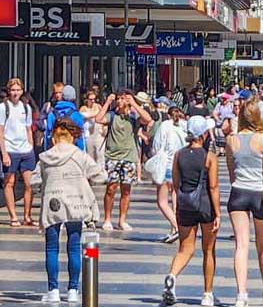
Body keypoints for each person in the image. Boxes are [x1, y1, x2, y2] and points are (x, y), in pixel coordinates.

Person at [35, 117, 106, 303]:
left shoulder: (45, 157)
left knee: (51, 247)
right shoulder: (79, 155)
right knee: (74, 246)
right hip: (76, 203)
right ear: (72, 137)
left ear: (54, 138)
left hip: (53, 204)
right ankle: (73, 290)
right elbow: (99, 176)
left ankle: (53, 291)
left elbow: (34, 181)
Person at [225, 99, 263, 307]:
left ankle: (241, 294)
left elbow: (231, 168)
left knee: (241, 245)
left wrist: (236, 182)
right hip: (259, 194)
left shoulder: (232, 139)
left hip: (238, 191)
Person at [162, 114, 221, 307]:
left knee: (185, 248)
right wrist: (218, 213)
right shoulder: (209, 157)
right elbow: (213, 187)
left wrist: (177, 206)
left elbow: (176, 184)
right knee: (208, 250)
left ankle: (172, 276)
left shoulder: (179, 155)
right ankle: (207, 293)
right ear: (204, 134)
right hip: (205, 205)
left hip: (185, 205)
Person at [96, 90, 153, 231]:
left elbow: (148, 119)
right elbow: (98, 119)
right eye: (119, 99)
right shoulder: (112, 116)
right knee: (111, 188)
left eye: (123, 98)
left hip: (129, 157)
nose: (121, 101)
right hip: (113, 156)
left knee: (126, 190)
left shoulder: (133, 117)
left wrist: (134, 103)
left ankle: (122, 220)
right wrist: (107, 102)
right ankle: (107, 218)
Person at [0, 78, 38, 228]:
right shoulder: (2, 108)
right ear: (9, 91)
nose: (15, 93)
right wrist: (4, 152)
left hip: (25, 149)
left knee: (29, 184)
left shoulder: (26, 108)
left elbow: (28, 128)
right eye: (13, 90)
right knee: (9, 182)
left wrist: (31, 146)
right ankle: (13, 216)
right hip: (10, 149)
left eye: (18, 90)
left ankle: (27, 216)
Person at [152, 106, 187, 244]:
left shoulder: (165, 126)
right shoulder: (182, 127)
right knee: (175, 200)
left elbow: (156, 145)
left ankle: (177, 228)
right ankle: (173, 229)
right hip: (179, 166)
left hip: (166, 166)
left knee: (162, 201)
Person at [45, 85, 86, 150]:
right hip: (72, 154)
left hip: (56, 153)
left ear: (62, 97)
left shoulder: (51, 115)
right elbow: (80, 139)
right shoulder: (77, 116)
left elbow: (47, 137)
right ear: (74, 99)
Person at [80, 88, 105, 166]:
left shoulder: (98, 106)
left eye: (94, 99)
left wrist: (104, 128)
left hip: (98, 133)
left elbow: (104, 117)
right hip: (88, 134)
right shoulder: (83, 108)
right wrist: (95, 115)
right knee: (90, 156)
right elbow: (83, 117)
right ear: (87, 100)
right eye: (91, 99)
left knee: (100, 154)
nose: (93, 101)